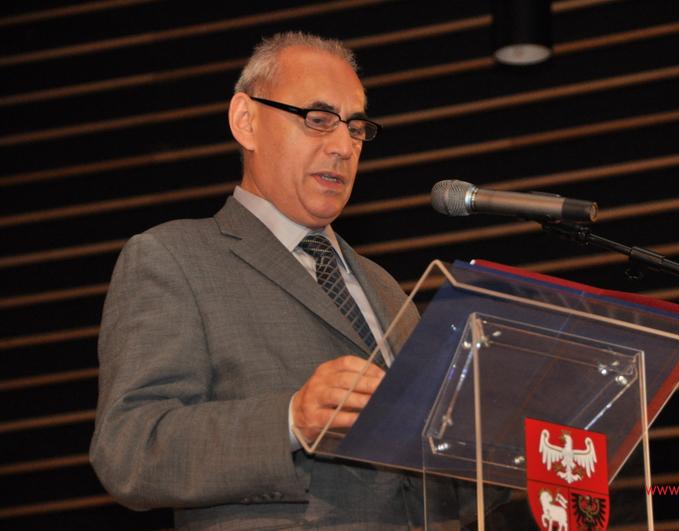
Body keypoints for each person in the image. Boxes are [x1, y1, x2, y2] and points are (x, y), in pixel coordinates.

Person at [90, 32, 463, 529]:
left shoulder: (387, 289)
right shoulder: (173, 258)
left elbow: (429, 486)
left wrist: (516, 448)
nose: (343, 147)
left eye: (355, 128)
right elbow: (129, 450)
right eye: (318, 119)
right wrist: (290, 419)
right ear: (246, 121)